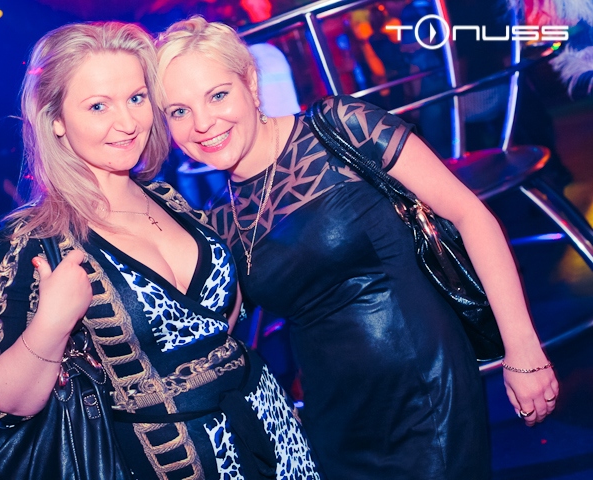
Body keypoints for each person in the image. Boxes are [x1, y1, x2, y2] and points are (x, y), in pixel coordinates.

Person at [156, 16, 560, 479]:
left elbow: (471, 215)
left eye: (217, 95)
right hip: (332, 421)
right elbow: (212, 332)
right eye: (179, 111)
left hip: (425, 391)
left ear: (249, 82)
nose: (203, 123)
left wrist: (523, 351)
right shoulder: (220, 216)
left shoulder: (338, 128)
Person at [0, 21, 320, 480]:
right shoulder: (32, 237)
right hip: (171, 462)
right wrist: (52, 322)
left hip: (274, 432)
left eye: (136, 98)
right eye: (98, 106)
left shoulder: (170, 200)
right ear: (55, 118)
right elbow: (0, 404)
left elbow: (218, 324)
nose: (128, 123)